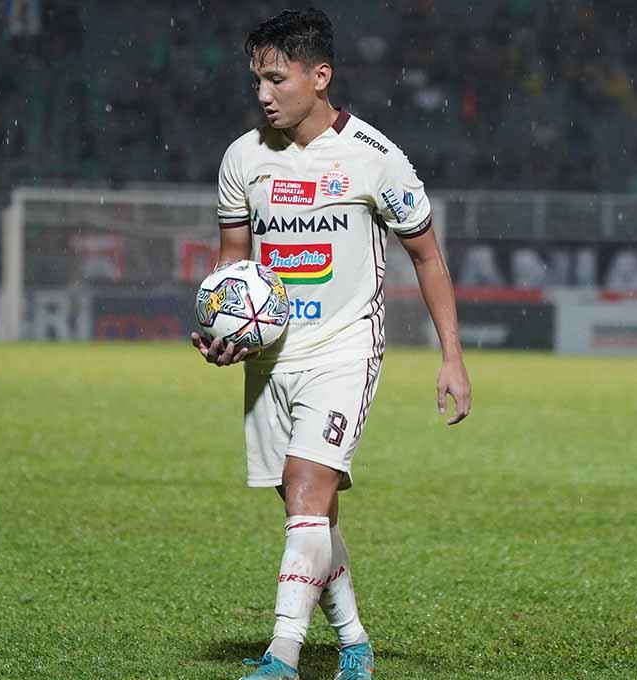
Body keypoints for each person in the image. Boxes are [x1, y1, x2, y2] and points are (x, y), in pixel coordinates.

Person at [189, 8, 472, 679]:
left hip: (347, 348)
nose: (262, 93)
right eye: (256, 78)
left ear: (320, 77)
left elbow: (427, 257)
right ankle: (353, 641)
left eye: (276, 78)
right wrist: (220, 332)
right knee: (306, 508)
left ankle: (281, 656)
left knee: (306, 487)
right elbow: (233, 270)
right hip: (270, 359)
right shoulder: (242, 159)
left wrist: (452, 357)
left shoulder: (376, 159)